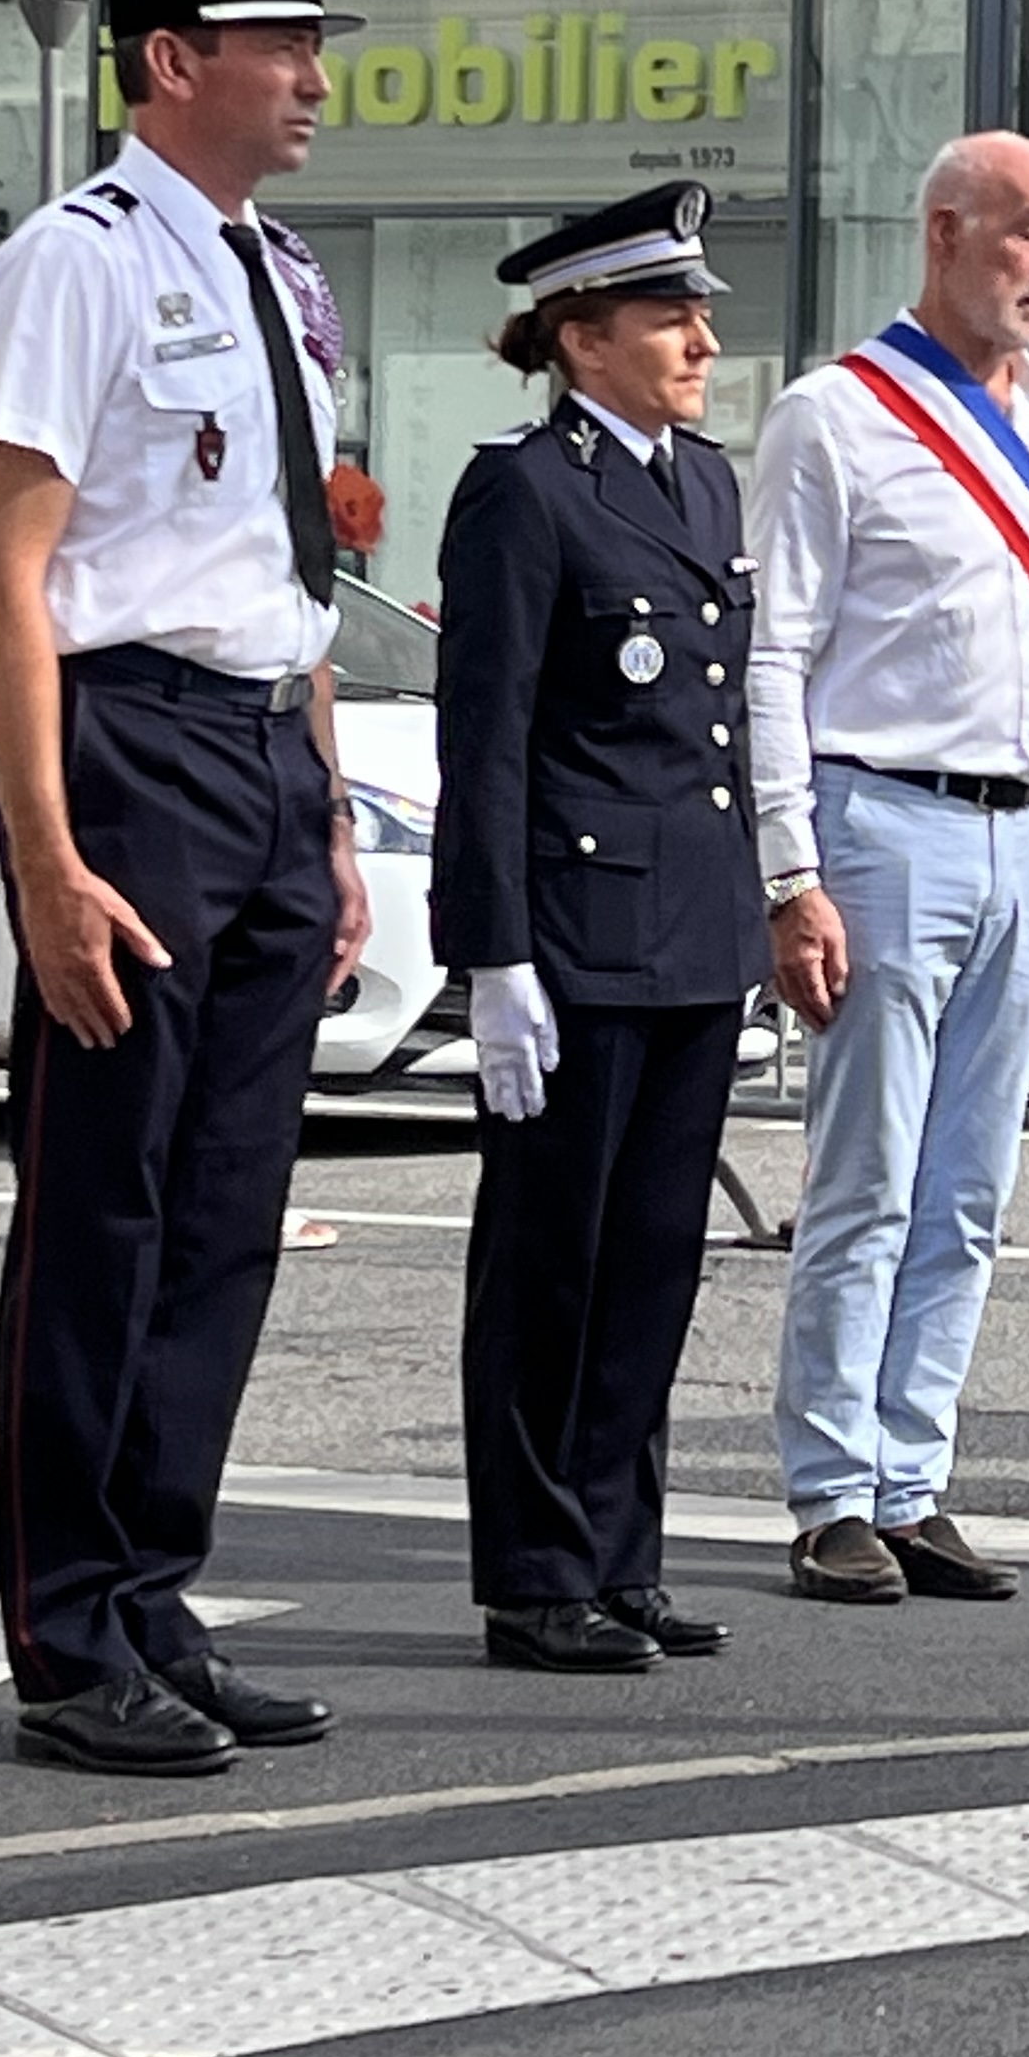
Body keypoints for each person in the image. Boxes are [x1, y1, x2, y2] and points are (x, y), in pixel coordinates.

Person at [0, 0, 372, 1776]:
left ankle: (155, 1593)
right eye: (275, 42)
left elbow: (294, 570)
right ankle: (66, 1635)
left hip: (266, 758)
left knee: (223, 1222)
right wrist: (45, 859)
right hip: (131, 758)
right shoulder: (79, 261)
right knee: (103, 1207)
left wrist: (334, 813)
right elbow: (5, 576)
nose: (311, 74)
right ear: (168, 62)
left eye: (312, 40)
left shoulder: (279, 274)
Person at [748, 132, 1029, 1606]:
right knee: (869, 1176)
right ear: (948, 229)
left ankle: (914, 1475)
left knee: (971, 1182)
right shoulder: (833, 417)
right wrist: (790, 867)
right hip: (883, 819)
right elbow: (772, 652)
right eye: (1028, 234)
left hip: (1028, 829)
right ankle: (831, 1483)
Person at [433, 182, 767, 1675]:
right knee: (551, 1267)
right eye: (668, 316)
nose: (701, 339)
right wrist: (490, 955)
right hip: (574, 940)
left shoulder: (705, 482)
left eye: (697, 314)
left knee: (653, 1263)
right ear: (581, 335)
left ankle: (620, 1549)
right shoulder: (527, 488)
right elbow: (487, 736)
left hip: (687, 935)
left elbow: (717, 737)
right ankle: (533, 1568)